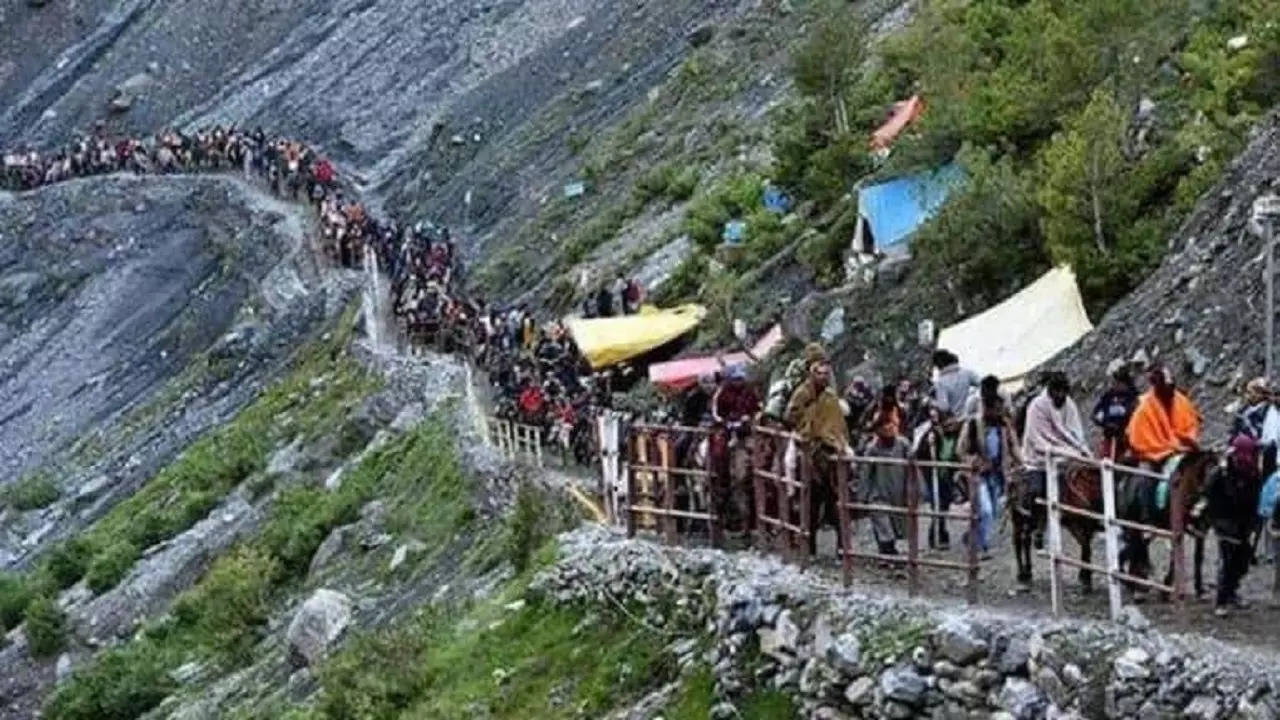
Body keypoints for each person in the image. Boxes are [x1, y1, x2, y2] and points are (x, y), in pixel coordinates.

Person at [785, 343, 852, 555]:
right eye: (818, 371)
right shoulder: (801, 393)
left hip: (833, 446)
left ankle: (842, 545)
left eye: (825, 371)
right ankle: (808, 542)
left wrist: (838, 440)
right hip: (809, 445)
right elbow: (791, 416)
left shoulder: (831, 397)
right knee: (796, 475)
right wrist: (807, 424)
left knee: (839, 497)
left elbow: (839, 422)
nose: (823, 376)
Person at [1020, 372, 1091, 546]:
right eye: (1057, 393)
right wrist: (1061, 451)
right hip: (1038, 459)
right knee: (1037, 491)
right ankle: (1037, 526)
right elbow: (1036, 438)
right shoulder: (1037, 406)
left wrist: (1081, 450)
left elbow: (1075, 431)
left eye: (1063, 393)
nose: (1060, 397)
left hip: (1066, 457)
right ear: (1050, 391)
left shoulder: (1069, 405)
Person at [958, 377, 1022, 557]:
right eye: (997, 409)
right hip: (978, 474)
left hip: (997, 473)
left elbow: (1013, 445)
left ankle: (972, 537)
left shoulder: (1003, 425)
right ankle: (981, 548)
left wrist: (1022, 463)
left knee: (992, 512)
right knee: (985, 510)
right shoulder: (973, 422)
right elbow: (961, 450)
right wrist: (973, 462)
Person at [1208, 434, 1261, 616]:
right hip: (1226, 521)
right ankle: (1221, 600)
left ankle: (1232, 590)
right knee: (1227, 559)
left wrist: (1254, 522)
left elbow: (1254, 497)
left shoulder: (1253, 472)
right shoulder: (1222, 473)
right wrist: (1219, 522)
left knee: (1243, 560)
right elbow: (1211, 496)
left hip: (1244, 522)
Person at [1126, 364, 1202, 470]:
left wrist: (1186, 443)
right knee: (1145, 476)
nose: (1169, 391)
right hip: (1156, 457)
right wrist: (1168, 451)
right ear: (1156, 387)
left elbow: (1192, 426)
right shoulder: (1143, 410)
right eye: (1164, 387)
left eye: (1171, 386)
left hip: (1185, 451)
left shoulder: (1182, 402)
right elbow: (1139, 442)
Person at [862, 416, 912, 556]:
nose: (888, 429)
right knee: (883, 525)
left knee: (897, 525)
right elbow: (865, 473)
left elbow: (912, 467)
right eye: (885, 426)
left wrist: (912, 491)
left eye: (891, 426)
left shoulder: (903, 445)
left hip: (898, 491)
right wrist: (863, 496)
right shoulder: (872, 449)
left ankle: (889, 550)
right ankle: (887, 551)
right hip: (878, 493)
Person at [1092, 364, 1138, 460]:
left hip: (1127, 438)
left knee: (1128, 460)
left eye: (1119, 382)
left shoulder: (1133, 397)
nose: (1115, 385)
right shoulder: (1109, 396)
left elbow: (1137, 416)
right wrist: (1105, 424)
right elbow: (1095, 414)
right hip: (1109, 437)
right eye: (1115, 382)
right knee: (1106, 461)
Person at [932, 349, 981, 419]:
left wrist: (933, 403)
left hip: (954, 422)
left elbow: (944, 407)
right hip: (969, 417)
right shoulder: (967, 373)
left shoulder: (941, 382)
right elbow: (982, 383)